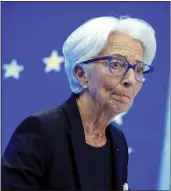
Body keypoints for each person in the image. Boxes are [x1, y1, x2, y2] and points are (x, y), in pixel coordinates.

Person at [2, 16, 157, 190]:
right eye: (117, 64)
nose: (130, 79)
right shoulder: (41, 132)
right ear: (81, 74)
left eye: (139, 69)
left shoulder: (117, 141)